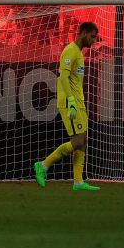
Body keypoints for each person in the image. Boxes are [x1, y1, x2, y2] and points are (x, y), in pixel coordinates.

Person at [33, 22, 101, 191]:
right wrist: (71, 101)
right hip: (69, 103)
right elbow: (63, 77)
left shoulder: (77, 53)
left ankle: (78, 181)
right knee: (78, 141)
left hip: (78, 102)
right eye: (92, 36)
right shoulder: (70, 51)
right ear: (83, 33)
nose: (94, 40)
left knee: (83, 141)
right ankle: (43, 165)